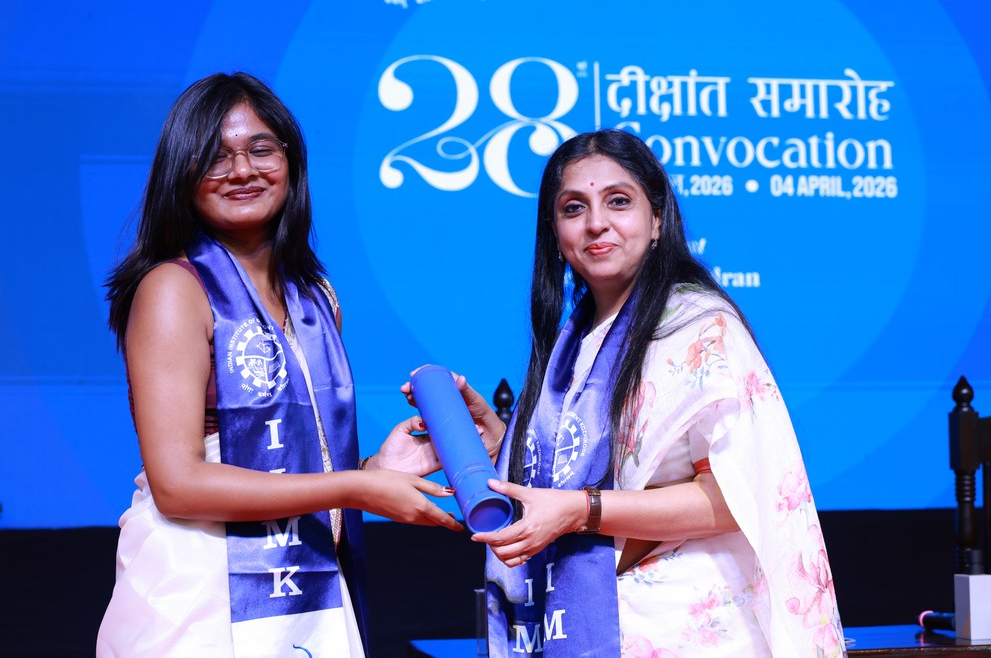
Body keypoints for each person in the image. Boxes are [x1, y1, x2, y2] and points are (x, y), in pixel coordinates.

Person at [97, 72, 469, 657]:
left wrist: (374, 467)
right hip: (198, 583)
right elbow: (178, 485)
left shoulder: (316, 298)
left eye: (261, 149)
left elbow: (291, 463)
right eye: (215, 156)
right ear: (181, 173)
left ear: (291, 160)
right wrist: (357, 488)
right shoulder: (173, 288)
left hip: (305, 580)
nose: (242, 170)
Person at [465, 129, 846, 657]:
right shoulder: (573, 341)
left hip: (683, 628)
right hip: (592, 622)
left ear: (657, 219)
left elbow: (733, 498)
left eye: (618, 201)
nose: (596, 222)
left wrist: (582, 510)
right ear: (554, 231)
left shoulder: (699, 327)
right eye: (573, 208)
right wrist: (505, 442)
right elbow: (592, 469)